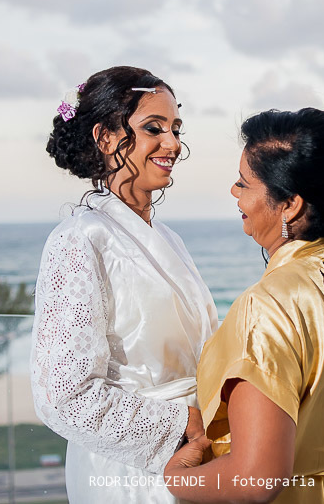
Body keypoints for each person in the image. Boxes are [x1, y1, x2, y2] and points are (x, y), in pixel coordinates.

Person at [164, 108, 324, 503]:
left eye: (244, 183)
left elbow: (255, 479)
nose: (234, 193)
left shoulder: (267, 306)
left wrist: (176, 478)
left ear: (289, 204)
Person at [30, 66, 218, 503]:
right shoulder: (79, 241)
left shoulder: (170, 240)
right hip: (129, 473)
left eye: (175, 128)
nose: (172, 143)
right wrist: (180, 424)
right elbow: (64, 396)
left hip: (196, 452)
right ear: (106, 137)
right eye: (154, 128)